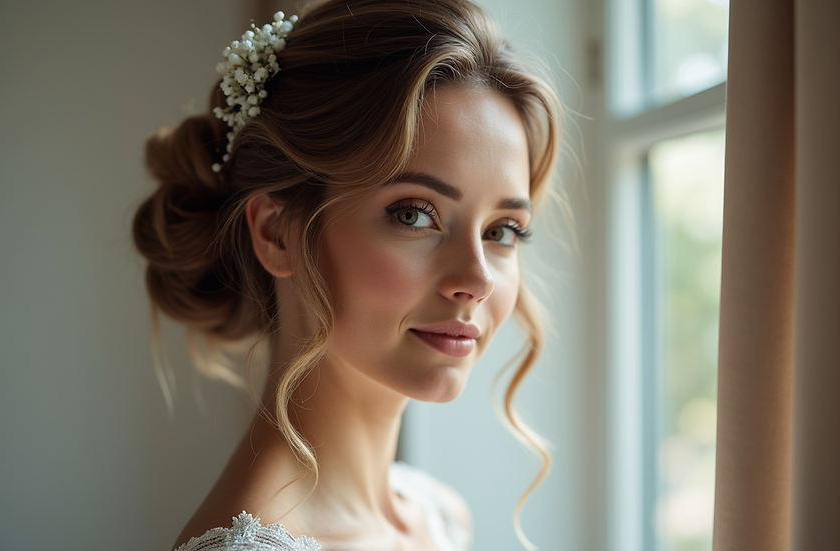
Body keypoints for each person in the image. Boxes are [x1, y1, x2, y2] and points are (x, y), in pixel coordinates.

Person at [132, 0, 561, 549]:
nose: (476, 280)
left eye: (503, 230)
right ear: (277, 232)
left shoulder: (439, 516)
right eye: (413, 214)